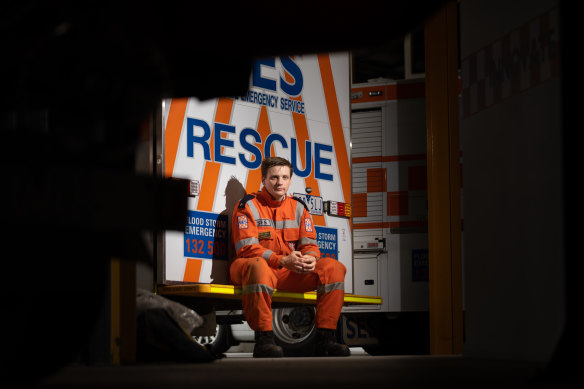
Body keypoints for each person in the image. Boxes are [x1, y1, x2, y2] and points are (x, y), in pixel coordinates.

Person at [230, 157, 350, 358]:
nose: (280, 182)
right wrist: (282, 260)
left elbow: (310, 244)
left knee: (333, 267)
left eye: (285, 177)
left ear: (290, 180)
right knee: (258, 266)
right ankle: (264, 340)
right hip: (253, 268)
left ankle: (326, 340)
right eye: (274, 177)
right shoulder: (247, 206)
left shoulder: (299, 207)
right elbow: (247, 249)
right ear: (264, 180)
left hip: (287, 271)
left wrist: (310, 258)